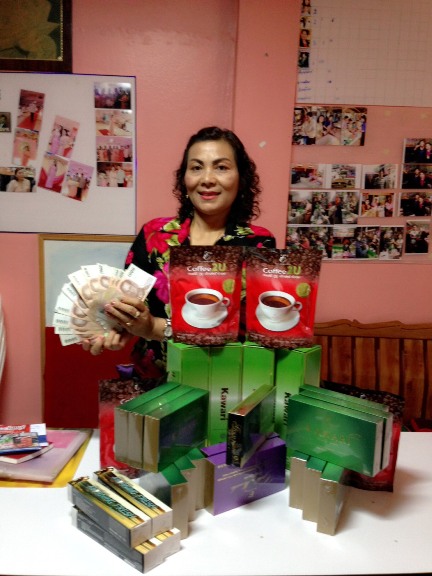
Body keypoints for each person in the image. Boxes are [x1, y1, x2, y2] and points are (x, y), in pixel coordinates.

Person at [82, 126, 276, 380]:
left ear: (241, 179)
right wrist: (116, 328)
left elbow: (249, 330)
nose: (207, 179)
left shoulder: (258, 243)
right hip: (155, 381)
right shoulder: (154, 235)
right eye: (196, 167)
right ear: (184, 179)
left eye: (221, 167)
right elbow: (131, 303)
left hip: (223, 384)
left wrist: (154, 328)